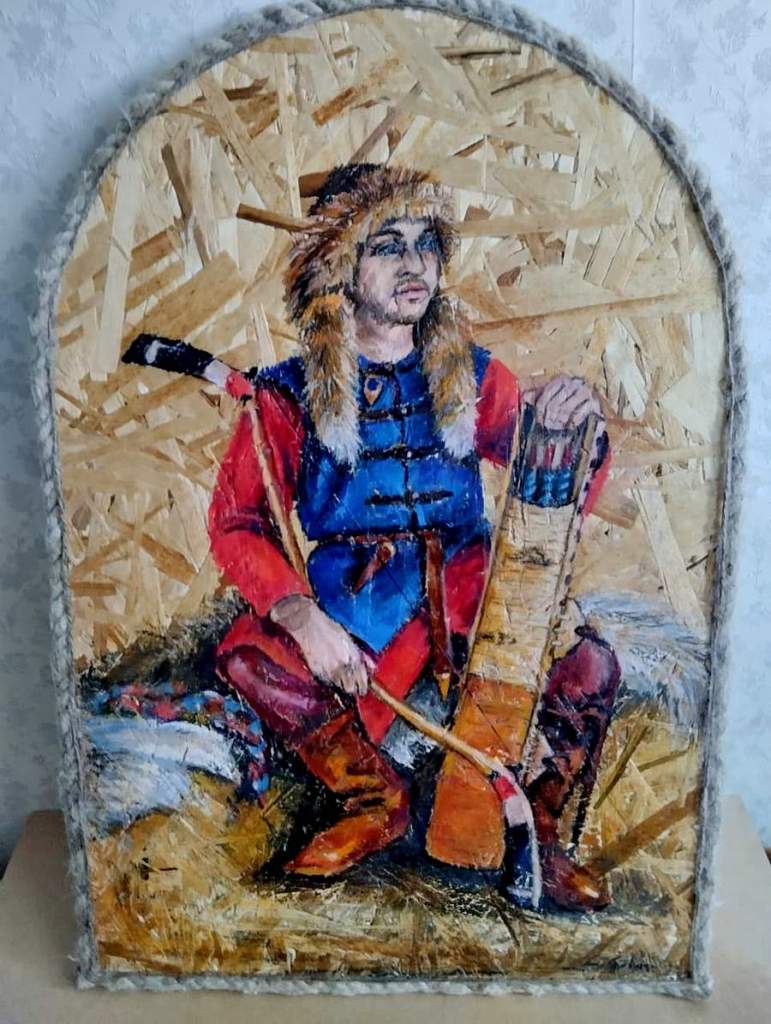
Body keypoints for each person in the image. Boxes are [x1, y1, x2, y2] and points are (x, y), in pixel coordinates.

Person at [208, 163, 620, 911]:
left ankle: (537, 833)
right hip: (354, 602)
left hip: (469, 592)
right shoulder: (286, 393)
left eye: (426, 243)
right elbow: (235, 526)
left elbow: (553, 486)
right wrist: (302, 617)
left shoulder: (477, 376)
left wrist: (566, 429)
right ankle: (374, 800)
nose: (414, 264)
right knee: (247, 655)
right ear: (341, 267)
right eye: (387, 245)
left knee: (590, 664)